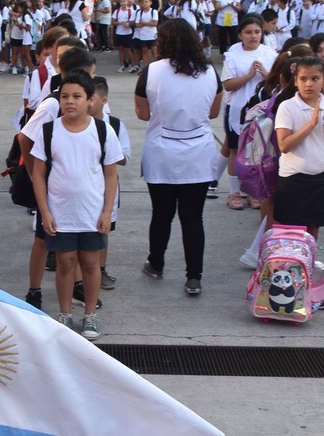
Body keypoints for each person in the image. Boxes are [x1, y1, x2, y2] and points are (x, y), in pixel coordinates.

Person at [30, 70, 122, 338]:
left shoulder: (102, 131)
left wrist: (107, 212)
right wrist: (44, 211)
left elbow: (111, 173)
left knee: (91, 264)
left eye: (77, 96)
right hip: (60, 213)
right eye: (65, 96)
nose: (69, 101)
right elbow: (38, 173)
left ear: (91, 100)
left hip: (92, 214)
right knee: (65, 263)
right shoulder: (49, 131)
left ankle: (90, 315)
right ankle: (65, 313)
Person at [134, 19, 223, 295]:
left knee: (161, 213)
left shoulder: (152, 71)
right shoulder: (210, 71)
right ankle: (194, 276)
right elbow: (214, 112)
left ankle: (156, 264)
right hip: (198, 153)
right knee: (193, 217)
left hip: (162, 152)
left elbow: (143, 113)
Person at [273, 56, 324, 243]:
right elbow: (284, 145)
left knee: (311, 233)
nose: (309, 84)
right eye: (303, 79)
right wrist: (312, 124)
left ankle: (307, 267)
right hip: (292, 179)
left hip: (319, 179)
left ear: (323, 81)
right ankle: (286, 270)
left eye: (315, 79)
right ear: (295, 81)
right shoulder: (287, 107)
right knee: (288, 234)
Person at [220, 15, 277, 209]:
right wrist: (249, 76)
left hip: (263, 111)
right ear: (240, 34)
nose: (253, 36)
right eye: (248, 32)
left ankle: (253, 191)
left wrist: (265, 75)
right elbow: (228, 84)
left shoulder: (269, 54)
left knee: (258, 152)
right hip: (238, 108)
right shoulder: (233, 54)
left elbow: (278, 83)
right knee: (236, 151)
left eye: (257, 32)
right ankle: (234, 192)